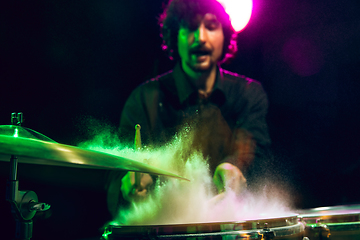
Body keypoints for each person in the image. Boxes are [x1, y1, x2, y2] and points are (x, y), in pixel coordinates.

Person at [107, 0, 271, 217]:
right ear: (175, 36)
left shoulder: (249, 94)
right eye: (190, 28)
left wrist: (235, 168)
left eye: (211, 27)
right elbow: (116, 182)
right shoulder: (143, 99)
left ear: (225, 35)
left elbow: (259, 160)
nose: (200, 38)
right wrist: (130, 182)